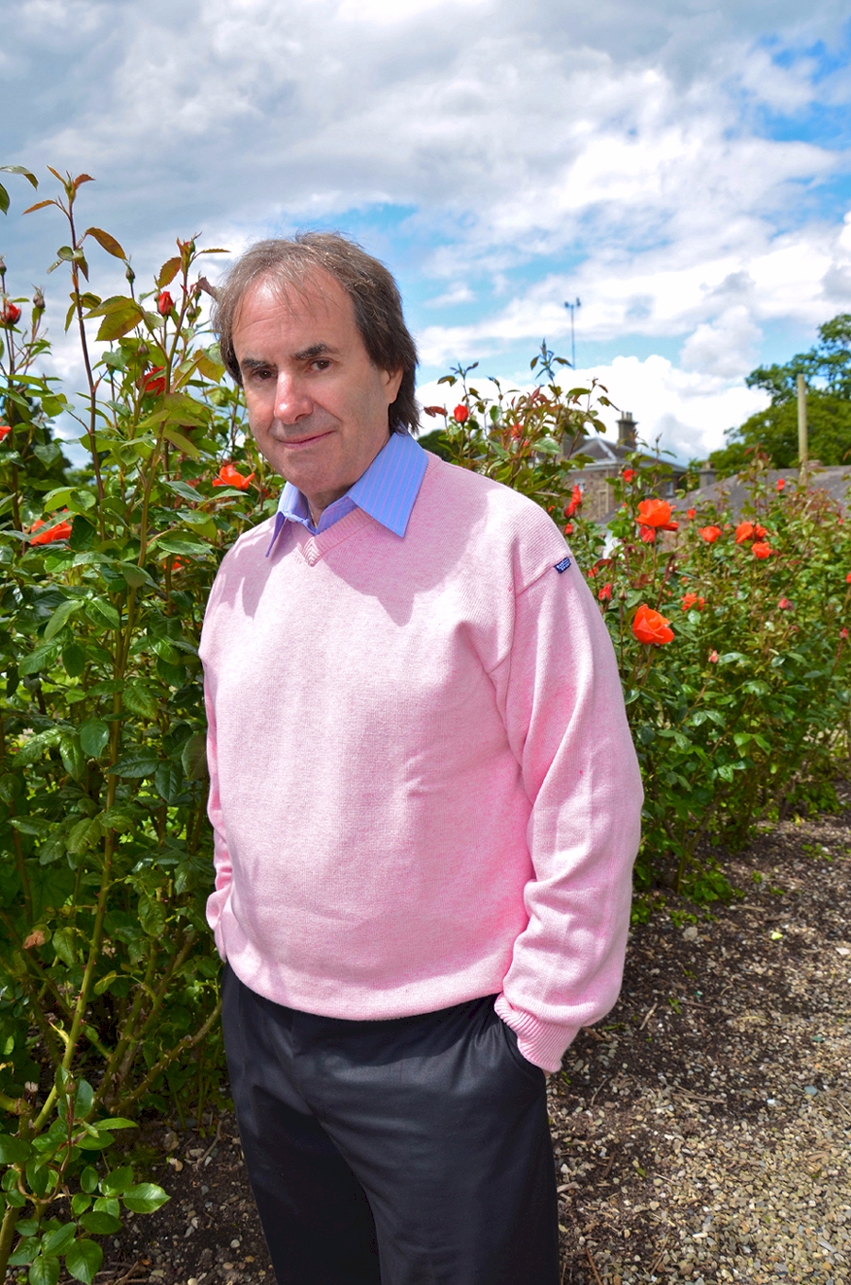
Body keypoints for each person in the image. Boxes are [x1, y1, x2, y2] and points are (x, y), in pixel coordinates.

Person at [199, 232, 643, 1285]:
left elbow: (586, 792)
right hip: (267, 1029)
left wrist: (528, 1030)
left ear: (389, 369)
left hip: (444, 1053)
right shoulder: (242, 573)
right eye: (259, 373)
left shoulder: (502, 544)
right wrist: (233, 924)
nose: (284, 403)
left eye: (316, 361)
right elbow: (233, 782)